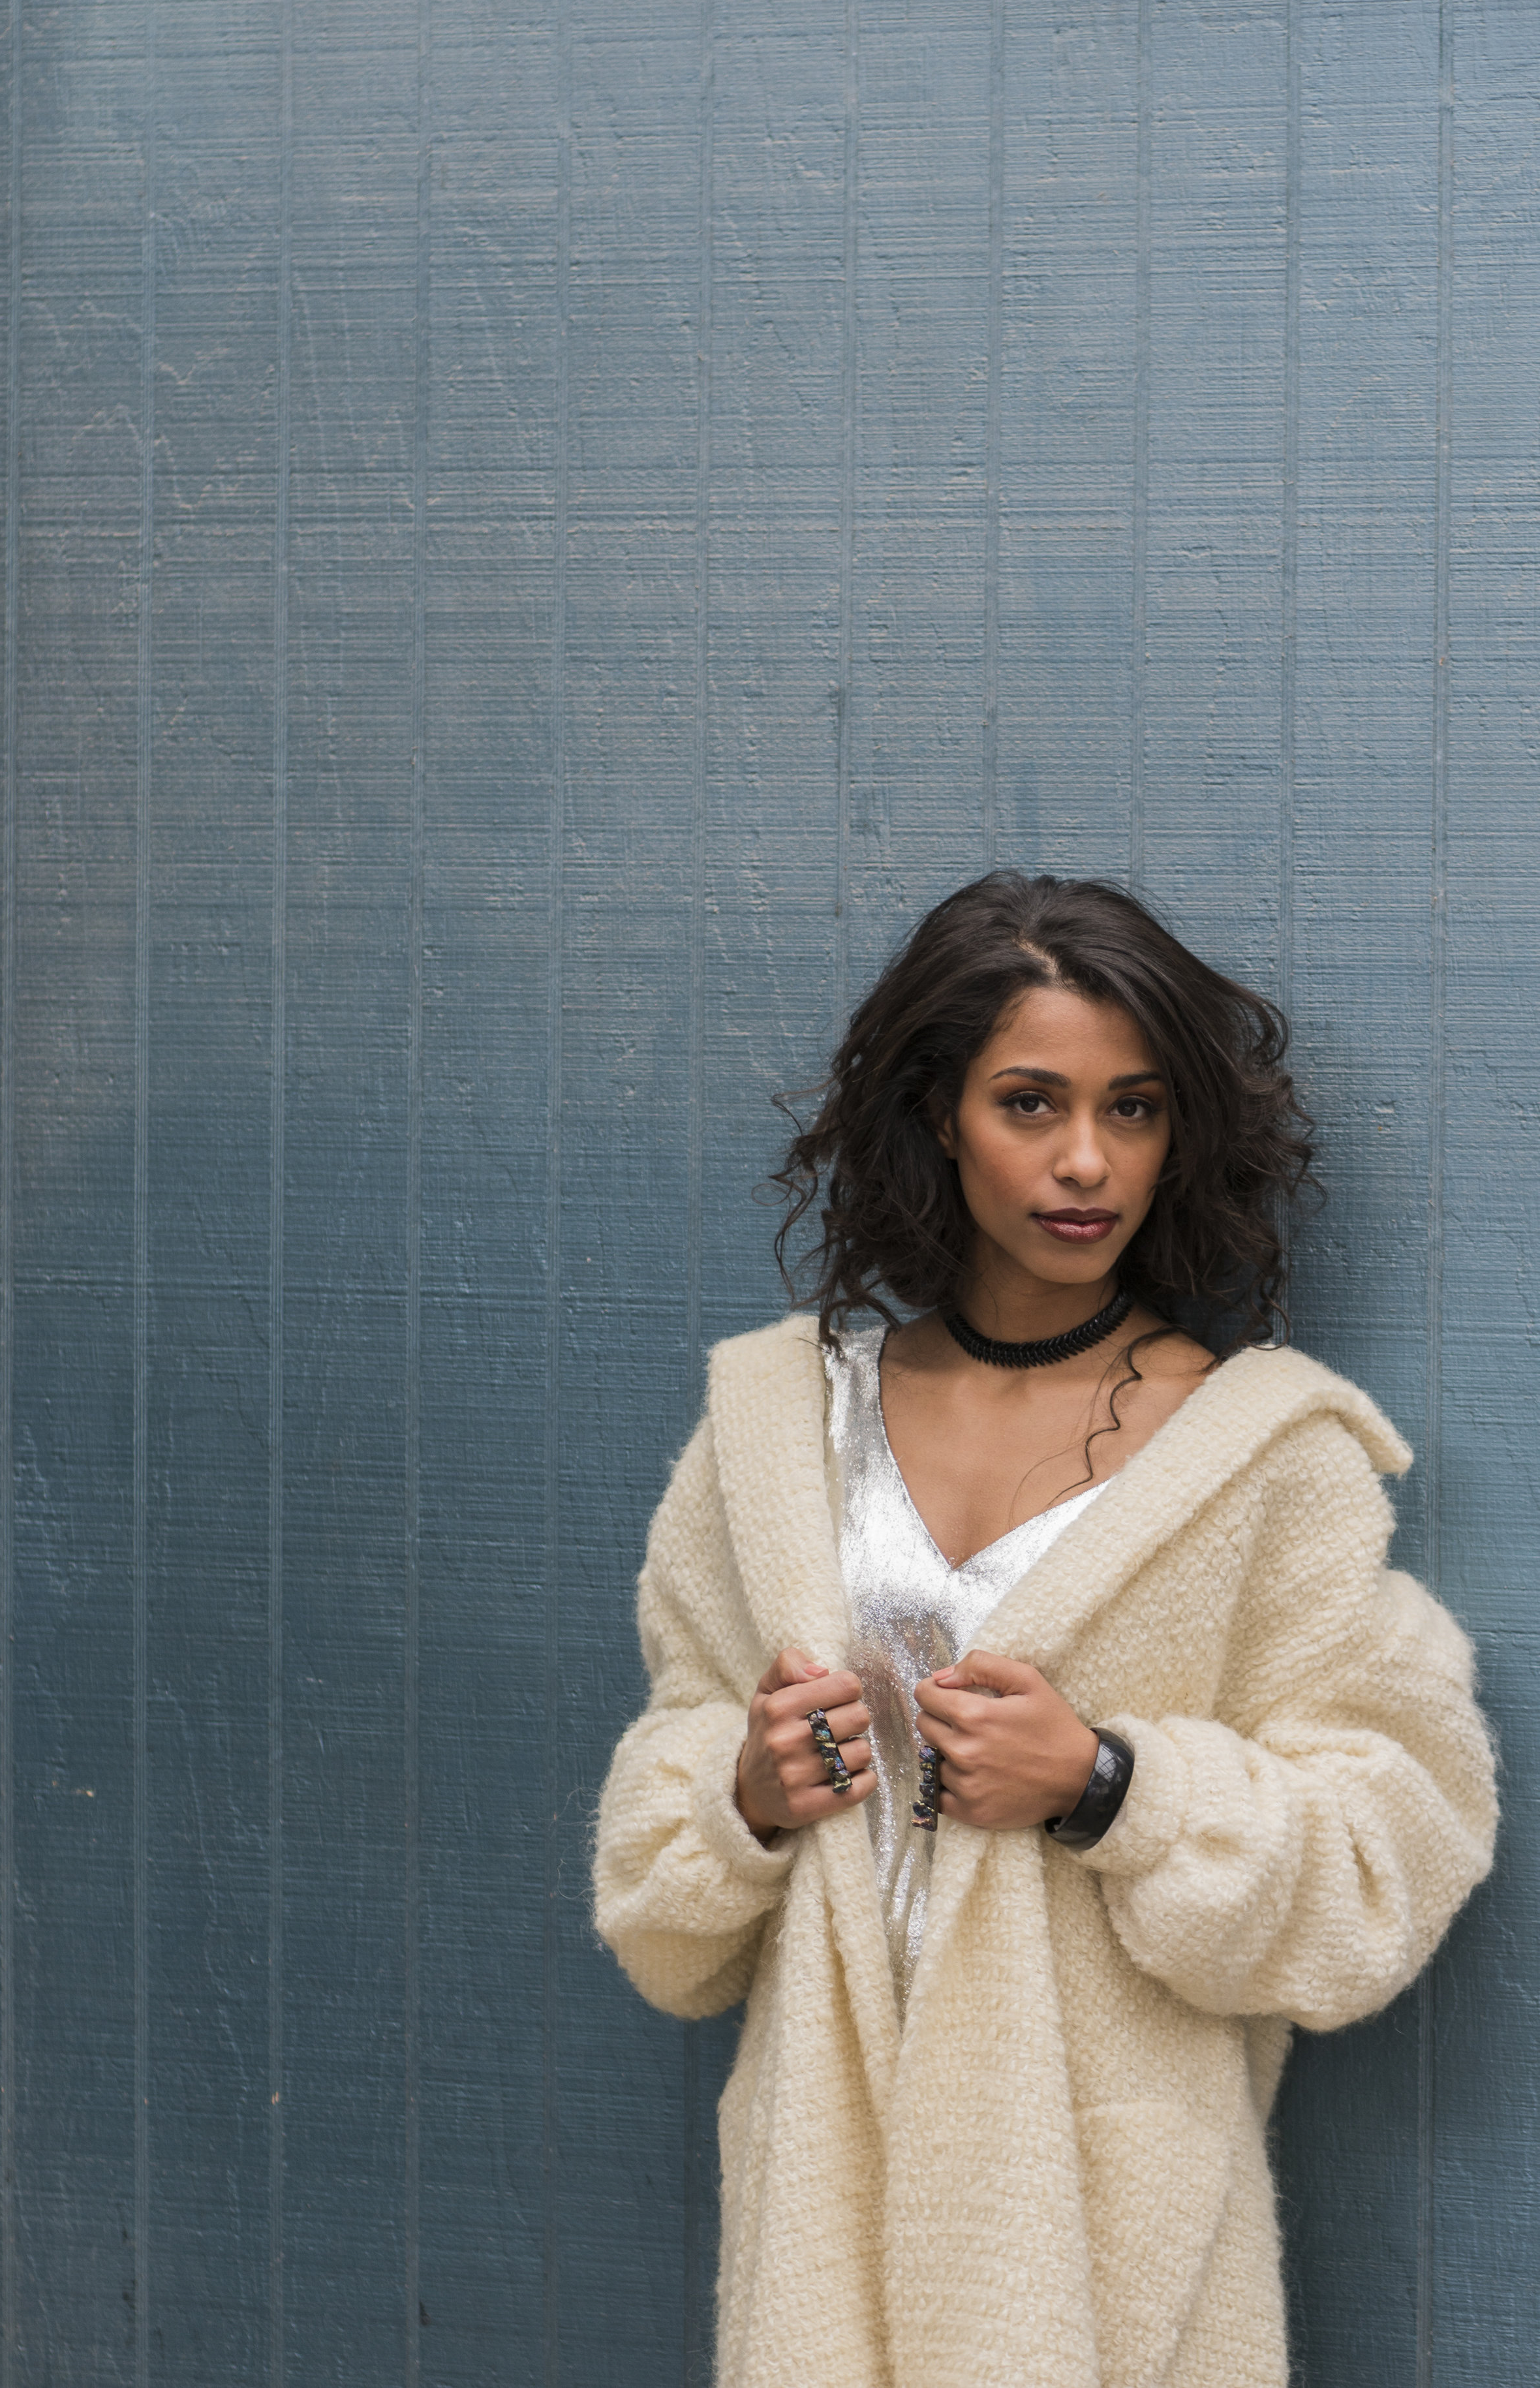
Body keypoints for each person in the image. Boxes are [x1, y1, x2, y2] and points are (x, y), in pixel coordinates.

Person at [592, 871, 1496, 2388]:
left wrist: (1106, 1785)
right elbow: (655, 1878)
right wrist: (742, 1795)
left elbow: (1387, 1846)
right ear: (938, 1114)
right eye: (1029, 1102)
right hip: (827, 2192)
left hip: (1100, 2233)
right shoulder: (775, 1430)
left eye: (1132, 1108)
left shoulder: (1261, 1456)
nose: (1085, 1159)